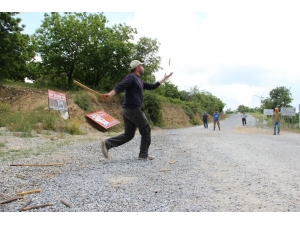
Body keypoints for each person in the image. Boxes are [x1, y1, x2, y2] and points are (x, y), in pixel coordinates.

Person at [101, 60, 173, 160]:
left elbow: (153, 86)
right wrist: (110, 94)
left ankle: (107, 144)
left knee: (129, 135)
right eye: (142, 66)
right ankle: (143, 155)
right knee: (146, 130)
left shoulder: (139, 81)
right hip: (133, 109)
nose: (143, 68)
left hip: (128, 110)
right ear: (138, 68)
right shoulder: (132, 77)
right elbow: (120, 86)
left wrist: (164, 78)